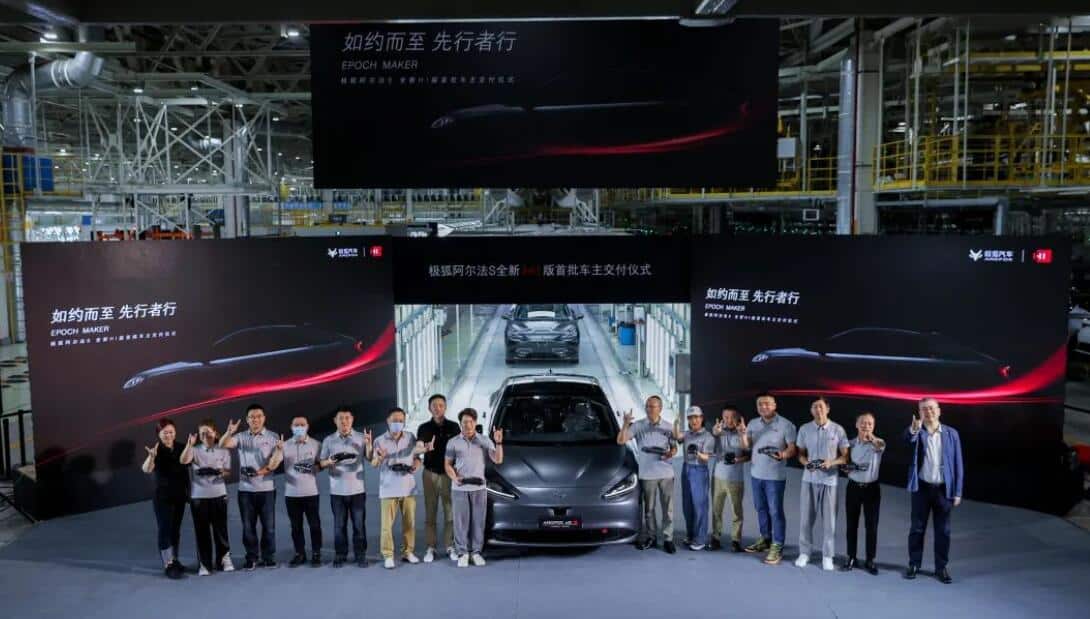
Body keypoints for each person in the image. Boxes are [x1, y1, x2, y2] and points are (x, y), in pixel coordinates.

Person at [905, 397, 963, 584]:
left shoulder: (951, 434)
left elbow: (958, 463)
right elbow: (907, 440)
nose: (928, 412)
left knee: (943, 531)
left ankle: (941, 567)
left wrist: (958, 491)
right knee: (917, 528)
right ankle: (914, 564)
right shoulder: (917, 432)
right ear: (919, 413)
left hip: (943, 490)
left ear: (939, 410)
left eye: (931, 408)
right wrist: (914, 429)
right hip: (921, 488)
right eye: (924, 409)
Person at [220, 403, 284, 570]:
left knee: (269, 527)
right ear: (247, 420)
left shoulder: (273, 437)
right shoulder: (241, 437)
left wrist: (260, 471)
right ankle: (252, 557)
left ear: (264, 418)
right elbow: (223, 444)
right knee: (248, 527)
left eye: (258, 416)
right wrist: (229, 432)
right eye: (252, 417)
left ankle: (268, 557)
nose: (255, 419)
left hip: (267, 490)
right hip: (245, 491)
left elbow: (275, 463)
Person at [372, 407, 432, 569]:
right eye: (394, 420)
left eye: (400, 421)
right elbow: (374, 463)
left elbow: (417, 457)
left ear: (404, 422)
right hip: (388, 488)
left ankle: (408, 552)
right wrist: (380, 458)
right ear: (388, 421)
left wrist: (416, 465)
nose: (397, 423)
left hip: (408, 488)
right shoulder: (379, 440)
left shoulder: (410, 437)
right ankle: (388, 555)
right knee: (386, 527)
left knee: (409, 524)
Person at [617, 395, 678, 553]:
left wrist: (670, 453)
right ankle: (651, 537)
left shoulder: (669, 427)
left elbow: (674, 448)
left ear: (660, 408)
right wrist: (625, 423)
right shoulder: (638, 426)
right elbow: (621, 440)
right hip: (647, 474)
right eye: (647, 406)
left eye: (653, 406)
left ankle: (668, 539)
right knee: (649, 509)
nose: (649, 409)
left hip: (666, 473)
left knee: (668, 509)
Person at [794, 397, 849, 571]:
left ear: (827, 409)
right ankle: (804, 553)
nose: (818, 410)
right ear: (811, 410)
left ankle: (827, 555)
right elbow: (800, 454)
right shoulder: (804, 429)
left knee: (829, 522)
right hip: (809, 480)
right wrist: (806, 463)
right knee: (805, 519)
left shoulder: (838, 430)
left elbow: (845, 457)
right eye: (814, 407)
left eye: (821, 406)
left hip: (830, 480)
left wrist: (831, 462)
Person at [742, 392, 797, 565]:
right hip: (756, 474)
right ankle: (765, 539)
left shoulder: (786, 425)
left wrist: (783, 454)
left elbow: (792, 448)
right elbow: (747, 446)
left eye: (767, 403)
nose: (763, 407)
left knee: (775, 511)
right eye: (760, 404)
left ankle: (777, 544)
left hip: (774, 476)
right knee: (761, 508)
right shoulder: (753, 423)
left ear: (774, 405)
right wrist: (743, 434)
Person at [445, 408, 503, 568]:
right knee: (461, 523)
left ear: (475, 423)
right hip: (460, 488)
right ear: (460, 424)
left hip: (479, 488)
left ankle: (476, 552)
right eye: (464, 422)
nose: (468, 425)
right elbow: (447, 464)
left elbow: (497, 459)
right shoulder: (453, 442)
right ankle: (463, 553)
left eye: (471, 422)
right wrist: (454, 478)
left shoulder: (484, 440)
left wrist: (498, 443)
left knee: (478, 522)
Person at [319, 405, 372, 568]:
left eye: (347, 418)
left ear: (352, 419)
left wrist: (369, 445)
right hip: (337, 491)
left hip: (357, 491)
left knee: (359, 525)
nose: (344, 421)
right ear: (335, 421)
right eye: (340, 418)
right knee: (339, 526)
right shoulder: (328, 440)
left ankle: (360, 554)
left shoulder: (361, 437)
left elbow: (370, 458)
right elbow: (321, 463)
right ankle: (340, 554)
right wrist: (329, 461)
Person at [180, 419, 235, 576]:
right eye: (202, 433)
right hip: (199, 497)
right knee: (202, 531)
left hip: (219, 495)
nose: (205, 435)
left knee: (221, 530)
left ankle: (223, 559)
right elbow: (183, 460)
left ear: (215, 433)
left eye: (208, 432)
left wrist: (219, 472)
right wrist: (189, 444)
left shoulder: (223, 450)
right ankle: (204, 564)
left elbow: (228, 472)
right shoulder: (194, 450)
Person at [416, 393, 461, 563]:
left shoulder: (454, 427)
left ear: (445, 407)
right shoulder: (424, 428)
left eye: (441, 405)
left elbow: (459, 449)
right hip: (430, 474)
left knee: (450, 512)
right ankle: (431, 547)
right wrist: (424, 448)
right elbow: (418, 446)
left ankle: (450, 545)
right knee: (430, 512)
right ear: (429, 408)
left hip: (449, 474)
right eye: (434, 405)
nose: (437, 408)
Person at [140, 418, 189, 577]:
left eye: (171, 432)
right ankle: (168, 564)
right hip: (162, 497)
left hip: (179, 495)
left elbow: (188, 467)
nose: (168, 435)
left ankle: (175, 559)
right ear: (159, 434)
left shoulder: (182, 447)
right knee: (165, 528)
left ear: (175, 432)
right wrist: (151, 457)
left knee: (175, 529)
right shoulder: (156, 450)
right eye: (165, 433)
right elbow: (146, 469)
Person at [841, 412, 885, 575]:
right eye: (863, 423)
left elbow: (879, 445)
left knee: (871, 525)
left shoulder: (879, 443)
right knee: (851, 524)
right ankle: (851, 556)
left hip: (872, 489)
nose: (866, 426)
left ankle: (870, 559)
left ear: (873, 426)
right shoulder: (850, 444)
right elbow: (844, 463)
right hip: (853, 487)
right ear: (856, 425)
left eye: (870, 424)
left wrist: (870, 437)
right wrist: (847, 468)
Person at [283, 415, 322, 568]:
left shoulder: (316, 444)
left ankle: (316, 553)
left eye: (302, 424)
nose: (299, 427)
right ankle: (300, 553)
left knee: (315, 525)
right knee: (296, 526)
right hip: (291, 493)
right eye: (296, 425)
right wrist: (278, 451)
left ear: (307, 426)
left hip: (311, 492)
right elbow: (274, 463)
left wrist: (313, 467)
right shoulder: (285, 445)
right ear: (291, 427)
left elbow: (321, 464)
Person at [710, 405, 749, 552]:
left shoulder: (743, 432)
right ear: (722, 418)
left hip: (735, 478)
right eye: (726, 417)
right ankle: (715, 538)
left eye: (733, 417)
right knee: (716, 509)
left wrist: (742, 435)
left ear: (738, 418)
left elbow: (748, 454)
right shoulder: (718, 431)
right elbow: (710, 447)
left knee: (737, 511)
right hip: (718, 477)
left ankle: (736, 540)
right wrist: (715, 434)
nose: (729, 420)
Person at [678, 406, 715, 551]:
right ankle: (690, 535)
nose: (694, 420)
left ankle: (700, 539)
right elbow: (677, 437)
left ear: (702, 418)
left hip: (699, 470)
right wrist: (675, 424)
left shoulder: (708, 437)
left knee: (699, 506)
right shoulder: (687, 434)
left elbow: (706, 458)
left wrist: (697, 453)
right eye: (691, 418)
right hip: (686, 468)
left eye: (697, 417)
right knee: (687, 505)